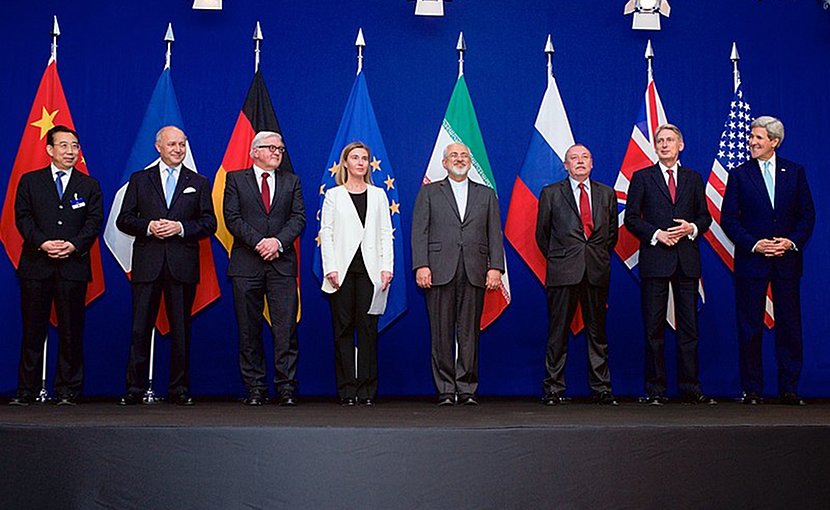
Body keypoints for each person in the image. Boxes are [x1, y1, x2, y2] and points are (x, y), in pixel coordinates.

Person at [116, 125, 216, 406]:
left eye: (182, 144)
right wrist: (148, 226)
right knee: (139, 328)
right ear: (158, 147)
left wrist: (180, 228)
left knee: (182, 330)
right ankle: (134, 389)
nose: (178, 149)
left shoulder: (198, 181)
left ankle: (179, 389)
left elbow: (209, 223)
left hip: (181, 265)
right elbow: (123, 219)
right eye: (172, 144)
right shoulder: (140, 179)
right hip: (148, 264)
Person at [721, 116, 815, 406]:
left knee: (789, 326)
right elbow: (729, 218)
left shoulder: (795, 173)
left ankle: (789, 388)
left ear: (774, 141)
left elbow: (807, 215)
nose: (752, 141)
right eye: (752, 137)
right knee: (750, 327)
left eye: (759, 138)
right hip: (753, 262)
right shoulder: (739, 174)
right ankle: (752, 389)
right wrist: (755, 244)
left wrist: (791, 242)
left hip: (786, 261)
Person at [10, 125, 103, 406]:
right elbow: (22, 218)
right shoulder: (30, 181)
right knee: (32, 329)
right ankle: (26, 391)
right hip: (37, 265)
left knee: (72, 331)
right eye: (64, 146)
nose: (71, 151)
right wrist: (43, 243)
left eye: (75, 146)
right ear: (50, 150)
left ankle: (67, 391)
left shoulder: (89, 185)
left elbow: (93, 222)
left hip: (72, 266)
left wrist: (74, 244)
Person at [624, 123, 715, 405]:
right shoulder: (642, 177)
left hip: (686, 261)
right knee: (653, 329)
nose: (664, 145)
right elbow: (631, 218)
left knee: (690, 329)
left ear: (681, 145)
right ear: (655, 146)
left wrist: (691, 228)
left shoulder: (693, 178)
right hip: (655, 261)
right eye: (660, 140)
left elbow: (705, 217)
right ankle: (655, 389)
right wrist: (656, 234)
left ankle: (691, 387)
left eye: (670, 140)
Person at [411, 142, 504, 406]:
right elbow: (420, 231)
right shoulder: (429, 192)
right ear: (444, 162)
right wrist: (421, 265)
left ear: (471, 162)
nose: (460, 159)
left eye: (464, 155)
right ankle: (445, 389)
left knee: (469, 332)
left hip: (475, 270)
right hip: (438, 269)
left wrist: (495, 267)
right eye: (454, 155)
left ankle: (466, 389)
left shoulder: (486, 194)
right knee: (440, 332)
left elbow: (494, 234)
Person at [224, 131, 305, 406]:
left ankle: (286, 388)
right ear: (254, 151)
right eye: (271, 148)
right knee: (249, 330)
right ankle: (255, 388)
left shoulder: (291, 181)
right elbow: (232, 218)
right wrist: (259, 242)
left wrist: (277, 243)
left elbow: (298, 218)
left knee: (285, 331)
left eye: (280, 149)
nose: (277, 153)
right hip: (247, 265)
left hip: (281, 265)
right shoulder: (235, 179)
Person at [536, 144, 619, 406]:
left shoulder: (607, 194)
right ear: (565, 165)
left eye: (585, 157)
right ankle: (553, 388)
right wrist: (564, 257)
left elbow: (611, 235)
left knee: (598, 333)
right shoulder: (550, 193)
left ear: (592, 164)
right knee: (557, 333)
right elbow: (542, 235)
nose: (580, 162)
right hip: (563, 272)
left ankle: (602, 388)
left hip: (596, 270)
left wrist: (594, 257)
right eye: (574, 158)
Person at [319, 142, 394, 406]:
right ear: (346, 163)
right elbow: (325, 233)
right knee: (342, 330)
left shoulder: (379, 195)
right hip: (341, 272)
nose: (361, 162)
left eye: (365, 158)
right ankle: (347, 389)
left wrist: (387, 267)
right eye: (355, 158)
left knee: (368, 330)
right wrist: (330, 268)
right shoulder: (333, 195)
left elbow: (386, 232)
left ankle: (367, 390)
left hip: (370, 272)